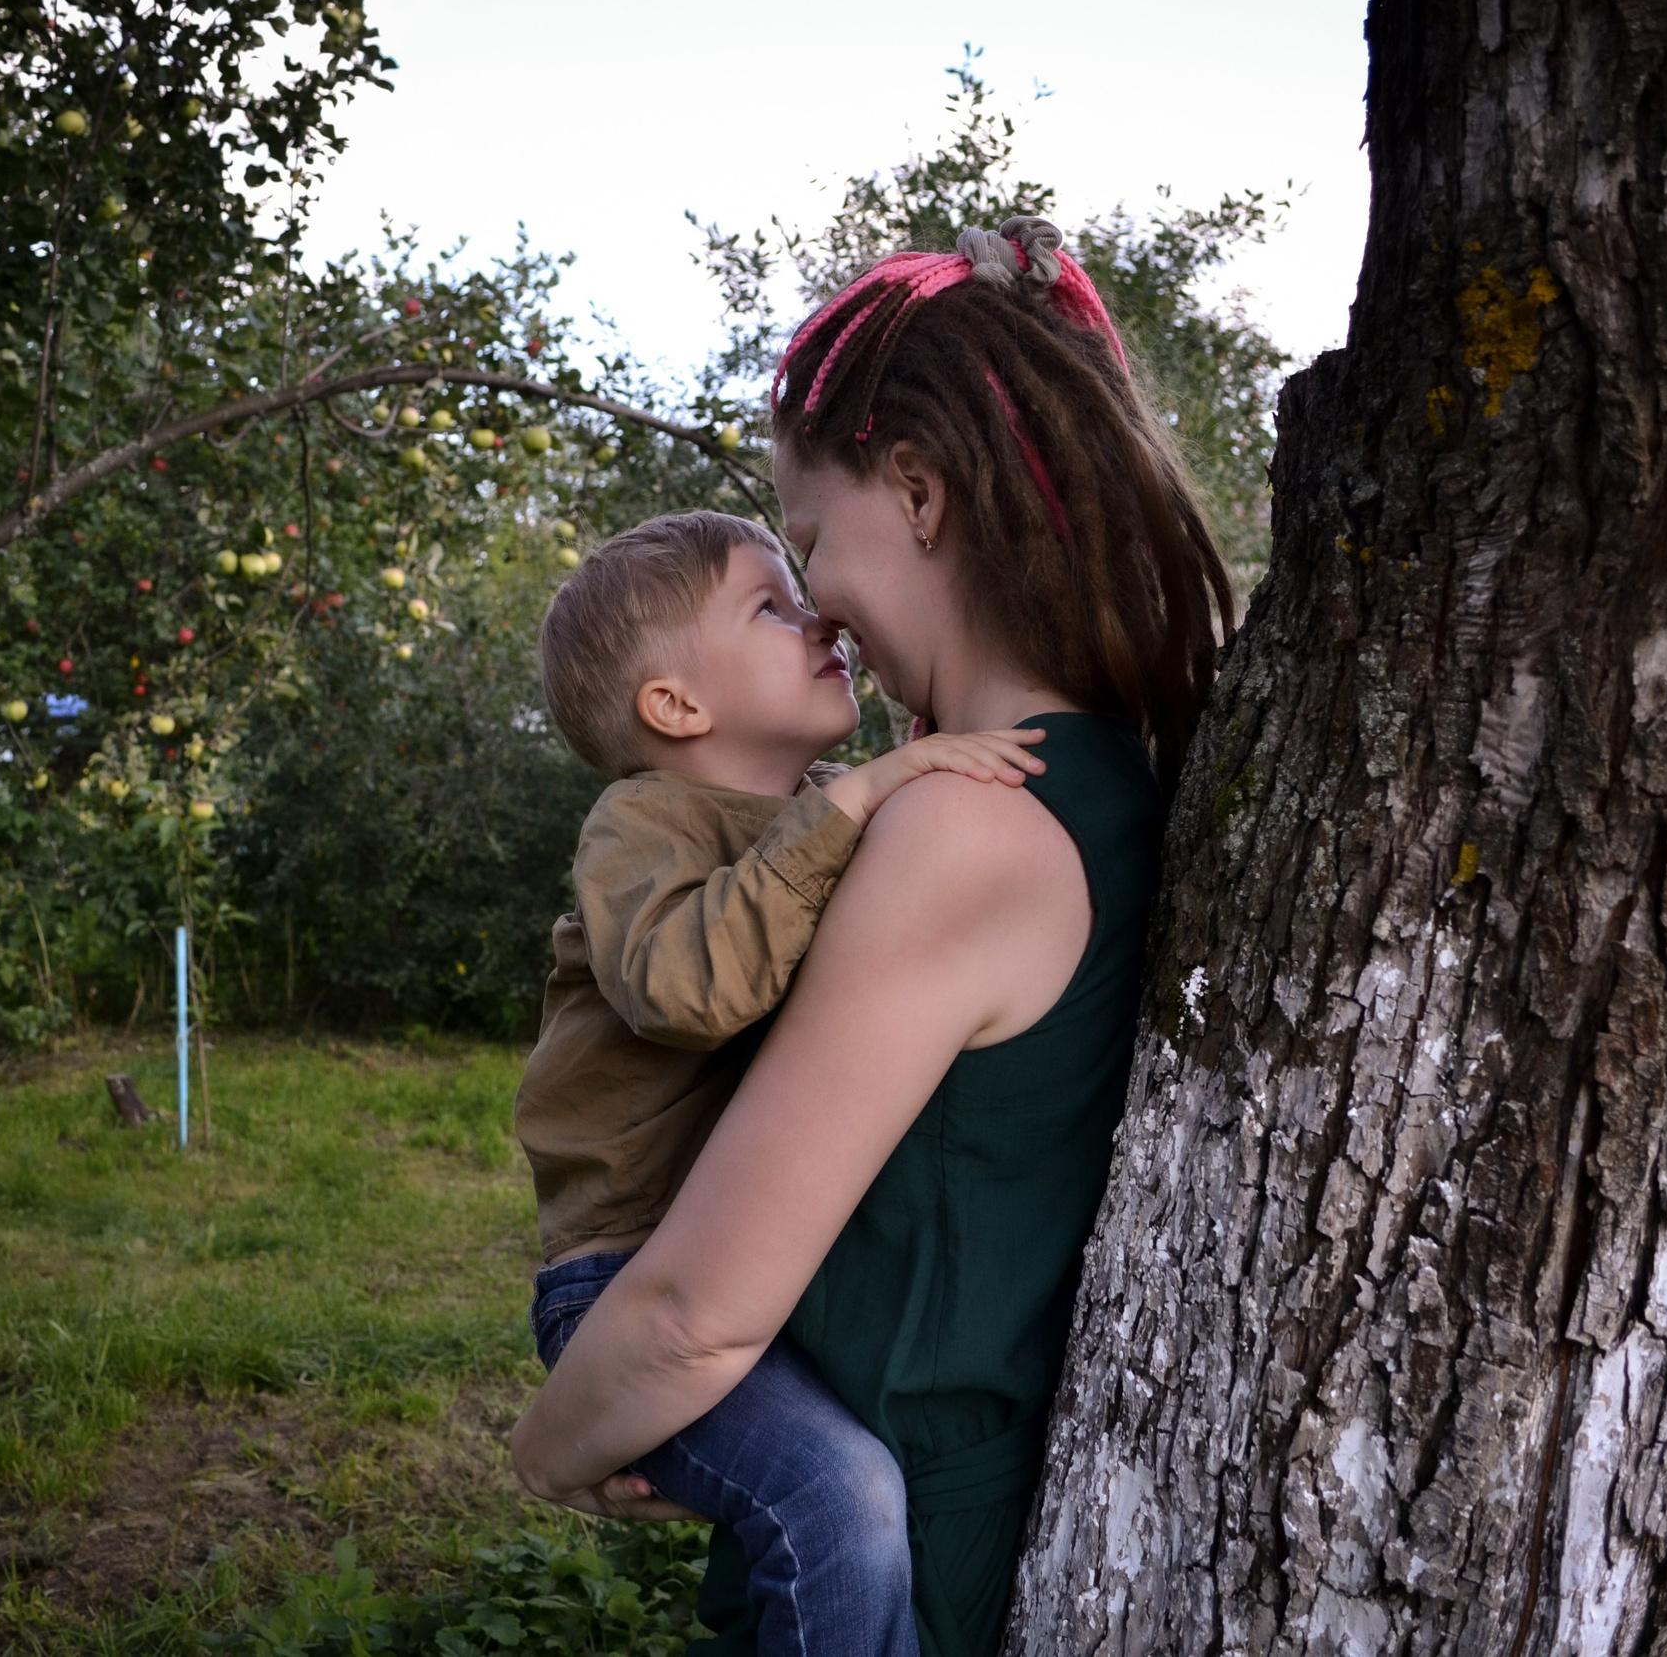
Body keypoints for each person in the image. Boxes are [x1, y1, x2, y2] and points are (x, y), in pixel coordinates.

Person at [510, 216, 1233, 1655]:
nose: (819, 599)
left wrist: (551, 1451)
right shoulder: (1098, 777)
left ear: (917, 492)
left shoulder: (959, 827)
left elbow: (692, 1317)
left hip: (908, 1559)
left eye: (812, 539)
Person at [520, 507, 1053, 1657]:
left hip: (753, 1274)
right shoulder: (642, 824)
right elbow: (686, 987)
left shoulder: (825, 804)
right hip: (624, 1286)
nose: (817, 617)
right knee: (838, 1495)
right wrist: (850, 804)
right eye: (769, 606)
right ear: (676, 707)